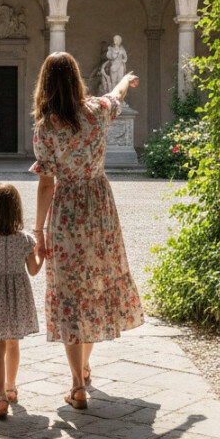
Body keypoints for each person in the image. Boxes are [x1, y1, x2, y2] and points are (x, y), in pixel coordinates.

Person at [31, 52, 144, 410]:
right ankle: (84, 367)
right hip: (98, 208)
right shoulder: (96, 111)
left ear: (46, 84)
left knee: (68, 294)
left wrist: (38, 231)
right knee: (94, 287)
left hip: (65, 210)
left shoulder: (46, 127)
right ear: (77, 78)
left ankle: (77, 383)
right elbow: (116, 95)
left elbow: (45, 183)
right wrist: (125, 80)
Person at [0, 183, 43, 419]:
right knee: (13, 343)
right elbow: (33, 270)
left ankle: (0, 397)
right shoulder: (25, 240)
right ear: (17, 209)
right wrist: (41, 254)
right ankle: (11, 387)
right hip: (17, 296)